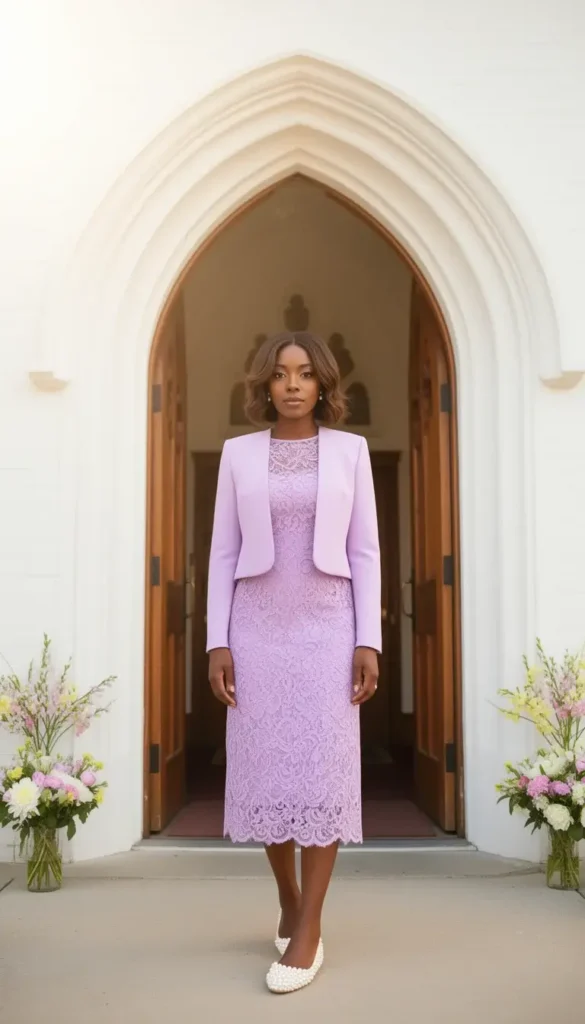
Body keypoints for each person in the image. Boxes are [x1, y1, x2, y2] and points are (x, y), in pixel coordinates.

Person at [207, 330, 381, 994]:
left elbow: (364, 551)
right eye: (280, 374)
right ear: (263, 384)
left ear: (323, 384)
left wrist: (369, 639)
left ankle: (307, 927)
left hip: (327, 628)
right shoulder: (237, 455)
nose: (291, 384)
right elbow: (221, 551)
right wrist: (215, 641)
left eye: (305, 374)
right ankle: (287, 897)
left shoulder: (351, 453)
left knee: (322, 772)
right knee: (265, 770)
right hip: (256, 628)